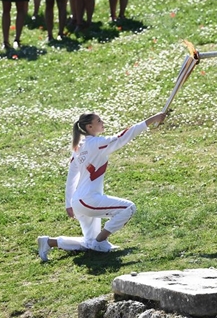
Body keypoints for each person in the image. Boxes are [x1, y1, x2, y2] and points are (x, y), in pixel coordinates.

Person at [37, 111, 166, 261]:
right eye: (99, 121)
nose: (102, 122)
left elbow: (71, 177)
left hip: (78, 201)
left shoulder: (79, 148)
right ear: (90, 126)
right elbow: (123, 136)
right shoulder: (96, 144)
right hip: (89, 200)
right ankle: (101, 240)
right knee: (129, 208)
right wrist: (152, 119)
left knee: (88, 243)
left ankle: (49, 242)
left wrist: (68, 204)